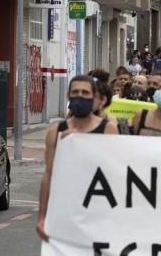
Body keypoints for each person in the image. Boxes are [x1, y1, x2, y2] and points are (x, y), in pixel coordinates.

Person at [37, 76, 119, 242]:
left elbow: (114, 169)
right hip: (67, 210)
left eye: (85, 93)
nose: (80, 96)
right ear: (68, 96)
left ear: (94, 98)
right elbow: (48, 175)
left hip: (98, 209)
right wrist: (42, 216)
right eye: (75, 92)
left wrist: (83, 142)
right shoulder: (56, 132)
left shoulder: (108, 129)